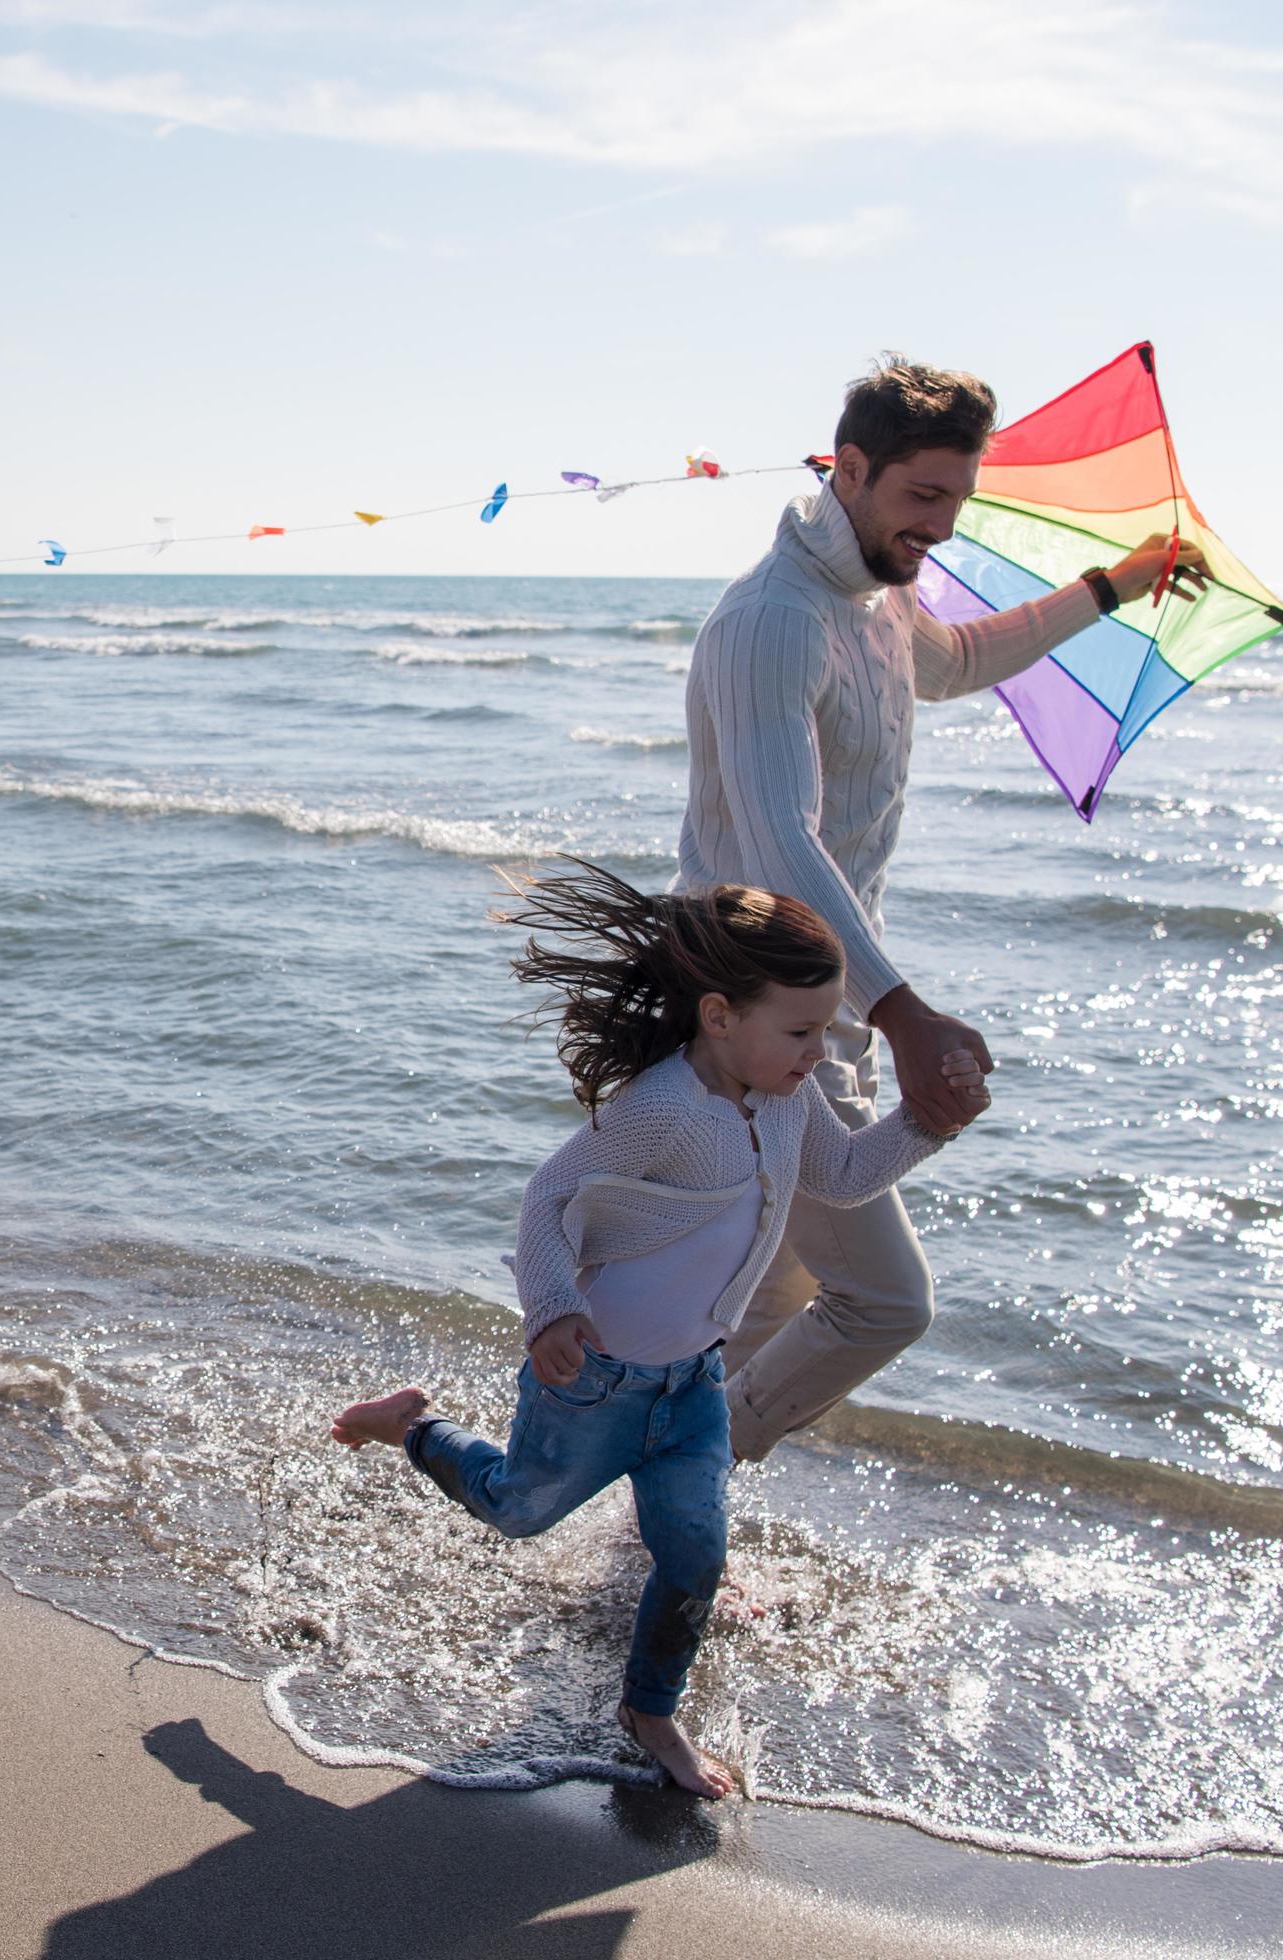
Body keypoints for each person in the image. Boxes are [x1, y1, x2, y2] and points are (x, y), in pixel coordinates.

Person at [329, 864, 983, 1797]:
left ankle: (650, 1710)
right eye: (800, 1031)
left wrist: (931, 1121)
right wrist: (552, 1308)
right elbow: (548, 1197)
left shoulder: (793, 1099)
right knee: (519, 1509)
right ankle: (410, 1426)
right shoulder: (663, 1108)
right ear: (719, 1016)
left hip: (691, 1391)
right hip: (594, 1381)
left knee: (694, 1557)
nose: (816, 1050)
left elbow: (841, 1180)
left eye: (826, 1029)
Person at [682, 356, 1206, 1462]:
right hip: (743, 1017)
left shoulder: (880, 594)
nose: (942, 528)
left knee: (768, 1308)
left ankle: (665, 1538)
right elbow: (782, 843)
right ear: (851, 467)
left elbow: (958, 662)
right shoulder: (773, 620)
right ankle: (676, 1488)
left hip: (821, 1010)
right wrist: (904, 1013)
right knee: (883, 1299)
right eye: (922, 498)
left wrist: (1111, 585)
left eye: (956, 502)